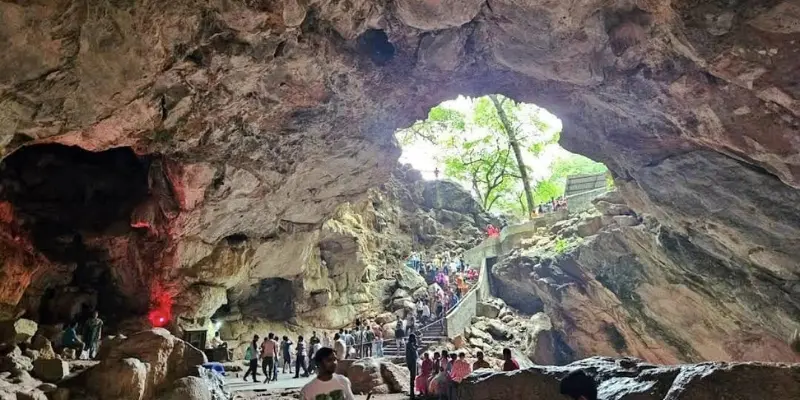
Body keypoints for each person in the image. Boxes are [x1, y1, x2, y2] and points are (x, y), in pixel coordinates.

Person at [405, 334, 419, 399]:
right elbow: (414, 349)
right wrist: (416, 343)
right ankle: (412, 393)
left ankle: (412, 392)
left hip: (413, 361)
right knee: (412, 377)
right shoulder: (409, 344)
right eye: (414, 338)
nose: (415, 339)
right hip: (411, 362)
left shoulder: (411, 344)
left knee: (413, 377)